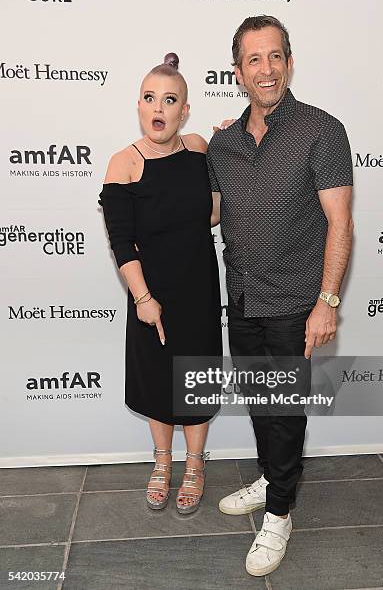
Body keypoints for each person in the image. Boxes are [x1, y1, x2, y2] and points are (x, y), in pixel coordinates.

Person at [207, 16, 354, 576]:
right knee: (260, 403)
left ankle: (280, 512)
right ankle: (273, 475)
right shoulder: (223, 143)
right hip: (242, 298)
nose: (264, 69)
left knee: (286, 410)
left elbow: (340, 224)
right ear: (238, 72)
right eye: (253, 60)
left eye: (274, 57)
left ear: (289, 63)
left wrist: (328, 301)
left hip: (296, 303)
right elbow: (212, 213)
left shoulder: (322, 130)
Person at [98, 53, 222, 514]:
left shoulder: (198, 148)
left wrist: (229, 148)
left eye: (170, 100)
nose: (159, 108)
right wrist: (143, 298)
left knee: (197, 376)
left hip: (198, 286)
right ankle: (163, 462)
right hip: (151, 291)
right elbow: (122, 242)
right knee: (156, 377)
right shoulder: (123, 163)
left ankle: (195, 464)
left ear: (184, 110)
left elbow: (211, 214)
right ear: (139, 104)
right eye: (150, 98)